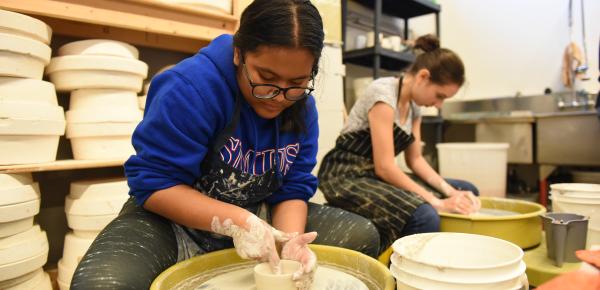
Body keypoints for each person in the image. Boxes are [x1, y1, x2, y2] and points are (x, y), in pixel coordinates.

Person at [71, 1, 380, 289]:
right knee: (100, 284)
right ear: (238, 54)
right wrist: (241, 222)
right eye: (266, 77)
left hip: (260, 214)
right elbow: (154, 185)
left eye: (297, 83)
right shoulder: (190, 88)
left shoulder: (301, 107)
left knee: (361, 236)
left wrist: (288, 245)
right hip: (172, 220)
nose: (280, 96)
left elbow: (292, 189)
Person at [318, 34, 481, 254]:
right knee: (424, 215)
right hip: (345, 174)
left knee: (467, 190)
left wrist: (450, 192)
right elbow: (385, 166)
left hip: (375, 175)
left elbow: (415, 160)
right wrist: (437, 202)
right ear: (423, 77)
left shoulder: (415, 107)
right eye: (439, 95)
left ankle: (452, 255)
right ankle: (400, 277)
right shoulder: (384, 94)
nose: (439, 105)